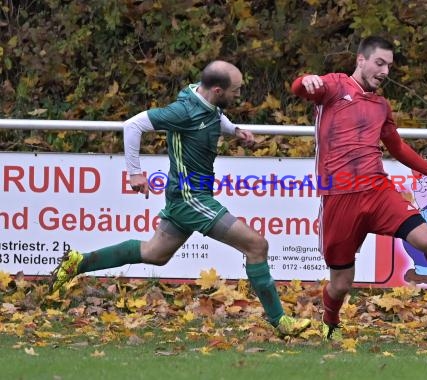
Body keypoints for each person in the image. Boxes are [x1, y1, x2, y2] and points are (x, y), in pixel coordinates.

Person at [49, 60, 311, 337]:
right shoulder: (182, 111)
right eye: (237, 90)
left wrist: (234, 131)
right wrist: (134, 174)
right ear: (218, 90)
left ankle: (80, 261)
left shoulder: (205, 98)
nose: (240, 95)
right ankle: (281, 321)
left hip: (183, 197)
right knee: (257, 245)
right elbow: (133, 125)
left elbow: (214, 116)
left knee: (155, 254)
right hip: (191, 197)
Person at [291, 36, 427, 341]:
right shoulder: (335, 86)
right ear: (361, 60)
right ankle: (330, 321)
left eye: (389, 66)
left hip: (378, 190)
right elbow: (299, 88)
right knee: (341, 284)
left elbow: (396, 146)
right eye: (379, 63)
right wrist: (306, 81)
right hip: (339, 197)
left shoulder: (380, 105)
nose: (385, 71)